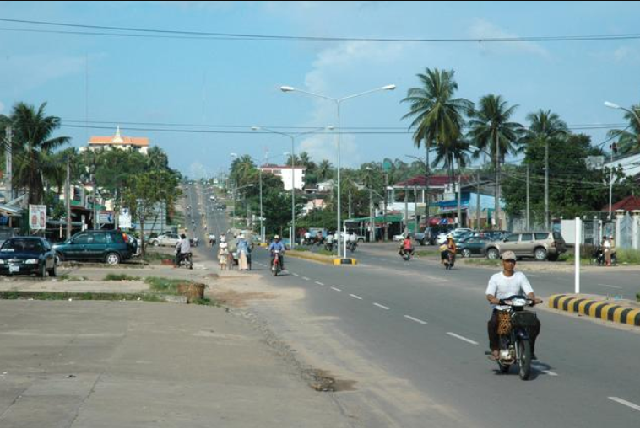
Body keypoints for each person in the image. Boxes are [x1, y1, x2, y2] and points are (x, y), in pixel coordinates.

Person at [485, 251, 542, 361]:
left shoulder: (520, 276)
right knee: (493, 324)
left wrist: (532, 298)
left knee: (535, 323)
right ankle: (495, 349)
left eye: (512, 261)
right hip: (501, 309)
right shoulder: (495, 278)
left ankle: (529, 349)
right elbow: (489, 293)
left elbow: (528, 290)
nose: (510, 263)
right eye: (507, 261)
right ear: (503, 262)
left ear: (515, 263)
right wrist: (493, 299)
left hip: (518, 310)